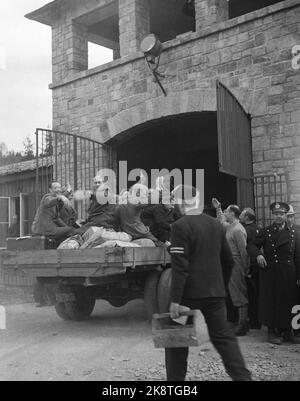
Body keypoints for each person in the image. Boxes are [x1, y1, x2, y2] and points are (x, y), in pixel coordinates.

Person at [166, 185, 251, 382]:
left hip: (187, 296)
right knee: (224, 338)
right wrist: (219, 285)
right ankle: (243, 378)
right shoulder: (216, 225)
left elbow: (180, 267)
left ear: (182, 202)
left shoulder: (179, 226)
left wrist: (175, 300)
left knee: (177, 340)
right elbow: (228, 260)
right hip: (215, 294)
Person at [247, 202, 300, 345]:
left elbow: (297, 256)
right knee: (271, 301)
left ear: (286, 215)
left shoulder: (294, 232)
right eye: (276, 214)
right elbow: (251, 245)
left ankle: (288, 331)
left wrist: (299, 276)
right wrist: (258, 255)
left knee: (289, 301)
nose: (279, 216)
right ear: (273, 215)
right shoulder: (266, 231)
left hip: (289, 272)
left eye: (281, 214)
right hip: (271, 272)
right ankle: (272, 332)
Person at [212, 199, 249, 336]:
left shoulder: (238, 229)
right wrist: (219, 208)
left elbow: (243, 252)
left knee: (239, 294)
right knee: (232, 293)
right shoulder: (230, 226)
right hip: (230, 263)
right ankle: (235, 322)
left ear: (233, 213)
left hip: (236, 263)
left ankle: (242, 325)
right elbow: (221, 221)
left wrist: (245, 268)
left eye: (227, 211)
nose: (225, 213)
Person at [239, 208, 261, 329]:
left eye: (242, 214)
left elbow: (245, 250)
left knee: (251, 295)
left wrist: (246, 268)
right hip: (258, 266)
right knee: (257, 293)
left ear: (247, 217)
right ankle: (258, 320)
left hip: (250, 266)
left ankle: (254, 322)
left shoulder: (245, 230)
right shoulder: (258, 228)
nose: (240, 216)